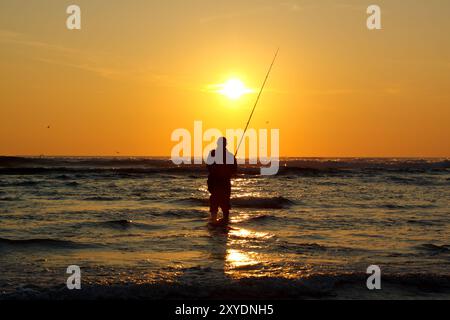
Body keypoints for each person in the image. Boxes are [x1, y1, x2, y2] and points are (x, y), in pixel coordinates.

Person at [206, 137, 237, 223]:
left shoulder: (213, 153)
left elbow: (208, 166)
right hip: (223, 183)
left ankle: (213, 223)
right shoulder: (230, 156)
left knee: (215, 205)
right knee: (225, 205)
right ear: (225, 144)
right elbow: (234, 170)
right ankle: (224, 223)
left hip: (215, 183)